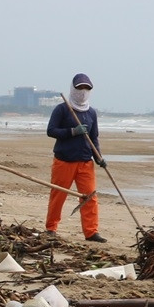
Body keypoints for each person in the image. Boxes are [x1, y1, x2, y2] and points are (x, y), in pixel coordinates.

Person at [45, 73, 108, 242]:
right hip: (64, 161)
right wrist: (72, 132)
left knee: (90, 197)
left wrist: (99, 158)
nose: (83, 91)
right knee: (58, 195)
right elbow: (51, 131)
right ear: (73, 89)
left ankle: (91, 232)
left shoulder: (91, 113)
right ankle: (51, 228)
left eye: (87, 88)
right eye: (80, 88)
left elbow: (94, 138)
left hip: (85, 162)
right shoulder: (62, 109)